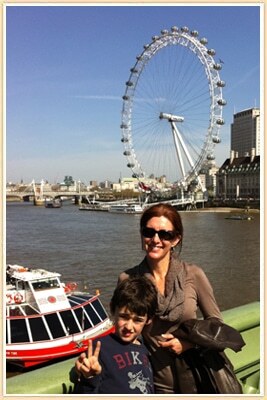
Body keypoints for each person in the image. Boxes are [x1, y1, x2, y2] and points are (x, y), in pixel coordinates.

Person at [118, 203, 243, 394]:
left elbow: (215, 322)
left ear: (175, 239)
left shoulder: (193, 275)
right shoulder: (128, 279)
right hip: (154, 383)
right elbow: (123, 330)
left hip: (197, 379)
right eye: (148, 232)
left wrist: (187, 343)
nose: (155, 239)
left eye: (164, 234)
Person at [74, 275, 157, 394]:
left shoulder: (144, 349)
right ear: (113, 309)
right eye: (124, 317)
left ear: (148, 320)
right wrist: (90, 377)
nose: (129, 327)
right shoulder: (100, 350)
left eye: (137, 320)